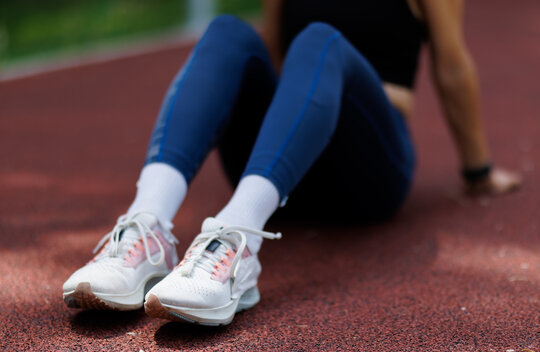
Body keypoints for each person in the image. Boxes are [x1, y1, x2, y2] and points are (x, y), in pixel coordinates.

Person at [62, 0, 521, 325]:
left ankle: (238, 238)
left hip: (368, 172)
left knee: (321, 40)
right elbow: (275, 57)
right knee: (228, 32)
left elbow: (452, 63)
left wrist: (477, 172)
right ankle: (147, 228)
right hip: (287, 173)